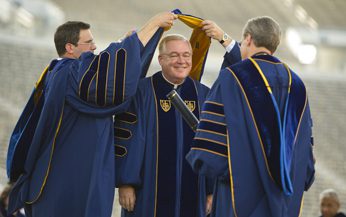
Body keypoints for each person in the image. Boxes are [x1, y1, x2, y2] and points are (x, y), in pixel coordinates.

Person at [6, 12, 177, 217]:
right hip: (71, 174)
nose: (94, 47)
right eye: (88, 42)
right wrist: (151, 25)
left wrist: (126, 42)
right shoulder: (68, 72)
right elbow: (103, 72)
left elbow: (102, 67)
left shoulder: (60, 71)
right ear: (70, 47)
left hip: (75, 170)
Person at [187, 16, 315, 217]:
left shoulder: (233, 77)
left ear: (247, 39)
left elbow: (211, 151)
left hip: (238, 194)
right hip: (283, 197)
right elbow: (305, 148)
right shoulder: (297, 85)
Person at [114, 34, 212, 217]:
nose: (181, 61)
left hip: (194, 191)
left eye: (186, 55)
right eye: (174, 55)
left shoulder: (204, 95)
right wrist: (126, 183)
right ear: (161, 59)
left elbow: (211, 146)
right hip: (148, 191)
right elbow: (128, 139)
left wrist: (211, 190)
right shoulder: (141, 92)